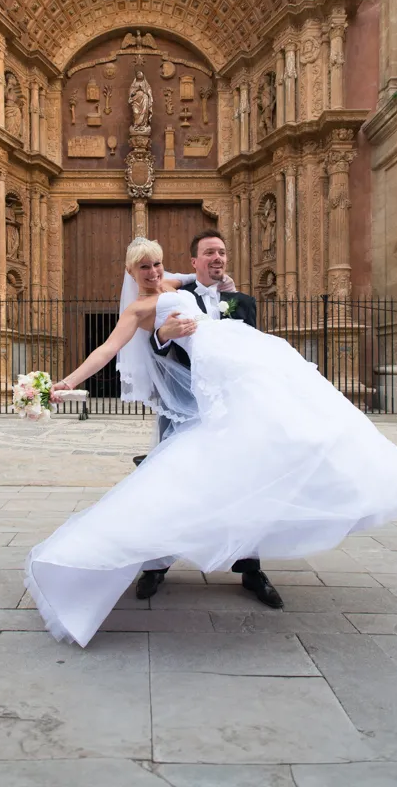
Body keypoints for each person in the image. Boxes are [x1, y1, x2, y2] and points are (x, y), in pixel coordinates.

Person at [25, 237, 397, 648]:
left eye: (157, 264)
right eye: (143, 267)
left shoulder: (180, 285)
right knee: (177, 480)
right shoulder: (139, 309)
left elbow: (205, 276)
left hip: (238, 367)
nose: (153, 272)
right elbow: (108, 349)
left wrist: (222, 279)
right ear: (130, 272)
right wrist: (69, 381)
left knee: (271, 447)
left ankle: (256, 556)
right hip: (203, 387)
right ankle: (149, 561)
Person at [134, 230, 283, 608]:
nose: (217, 258)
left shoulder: (243, 303)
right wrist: (162, 336)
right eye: (209, 253)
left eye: (222, 252)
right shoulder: (172, 299)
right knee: (169, 485)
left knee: (242, 485)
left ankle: (250, 567)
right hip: (184, 407)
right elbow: (154, 344)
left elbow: (253, 353)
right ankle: (156, 564)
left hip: (230, 409)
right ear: (194, 263)